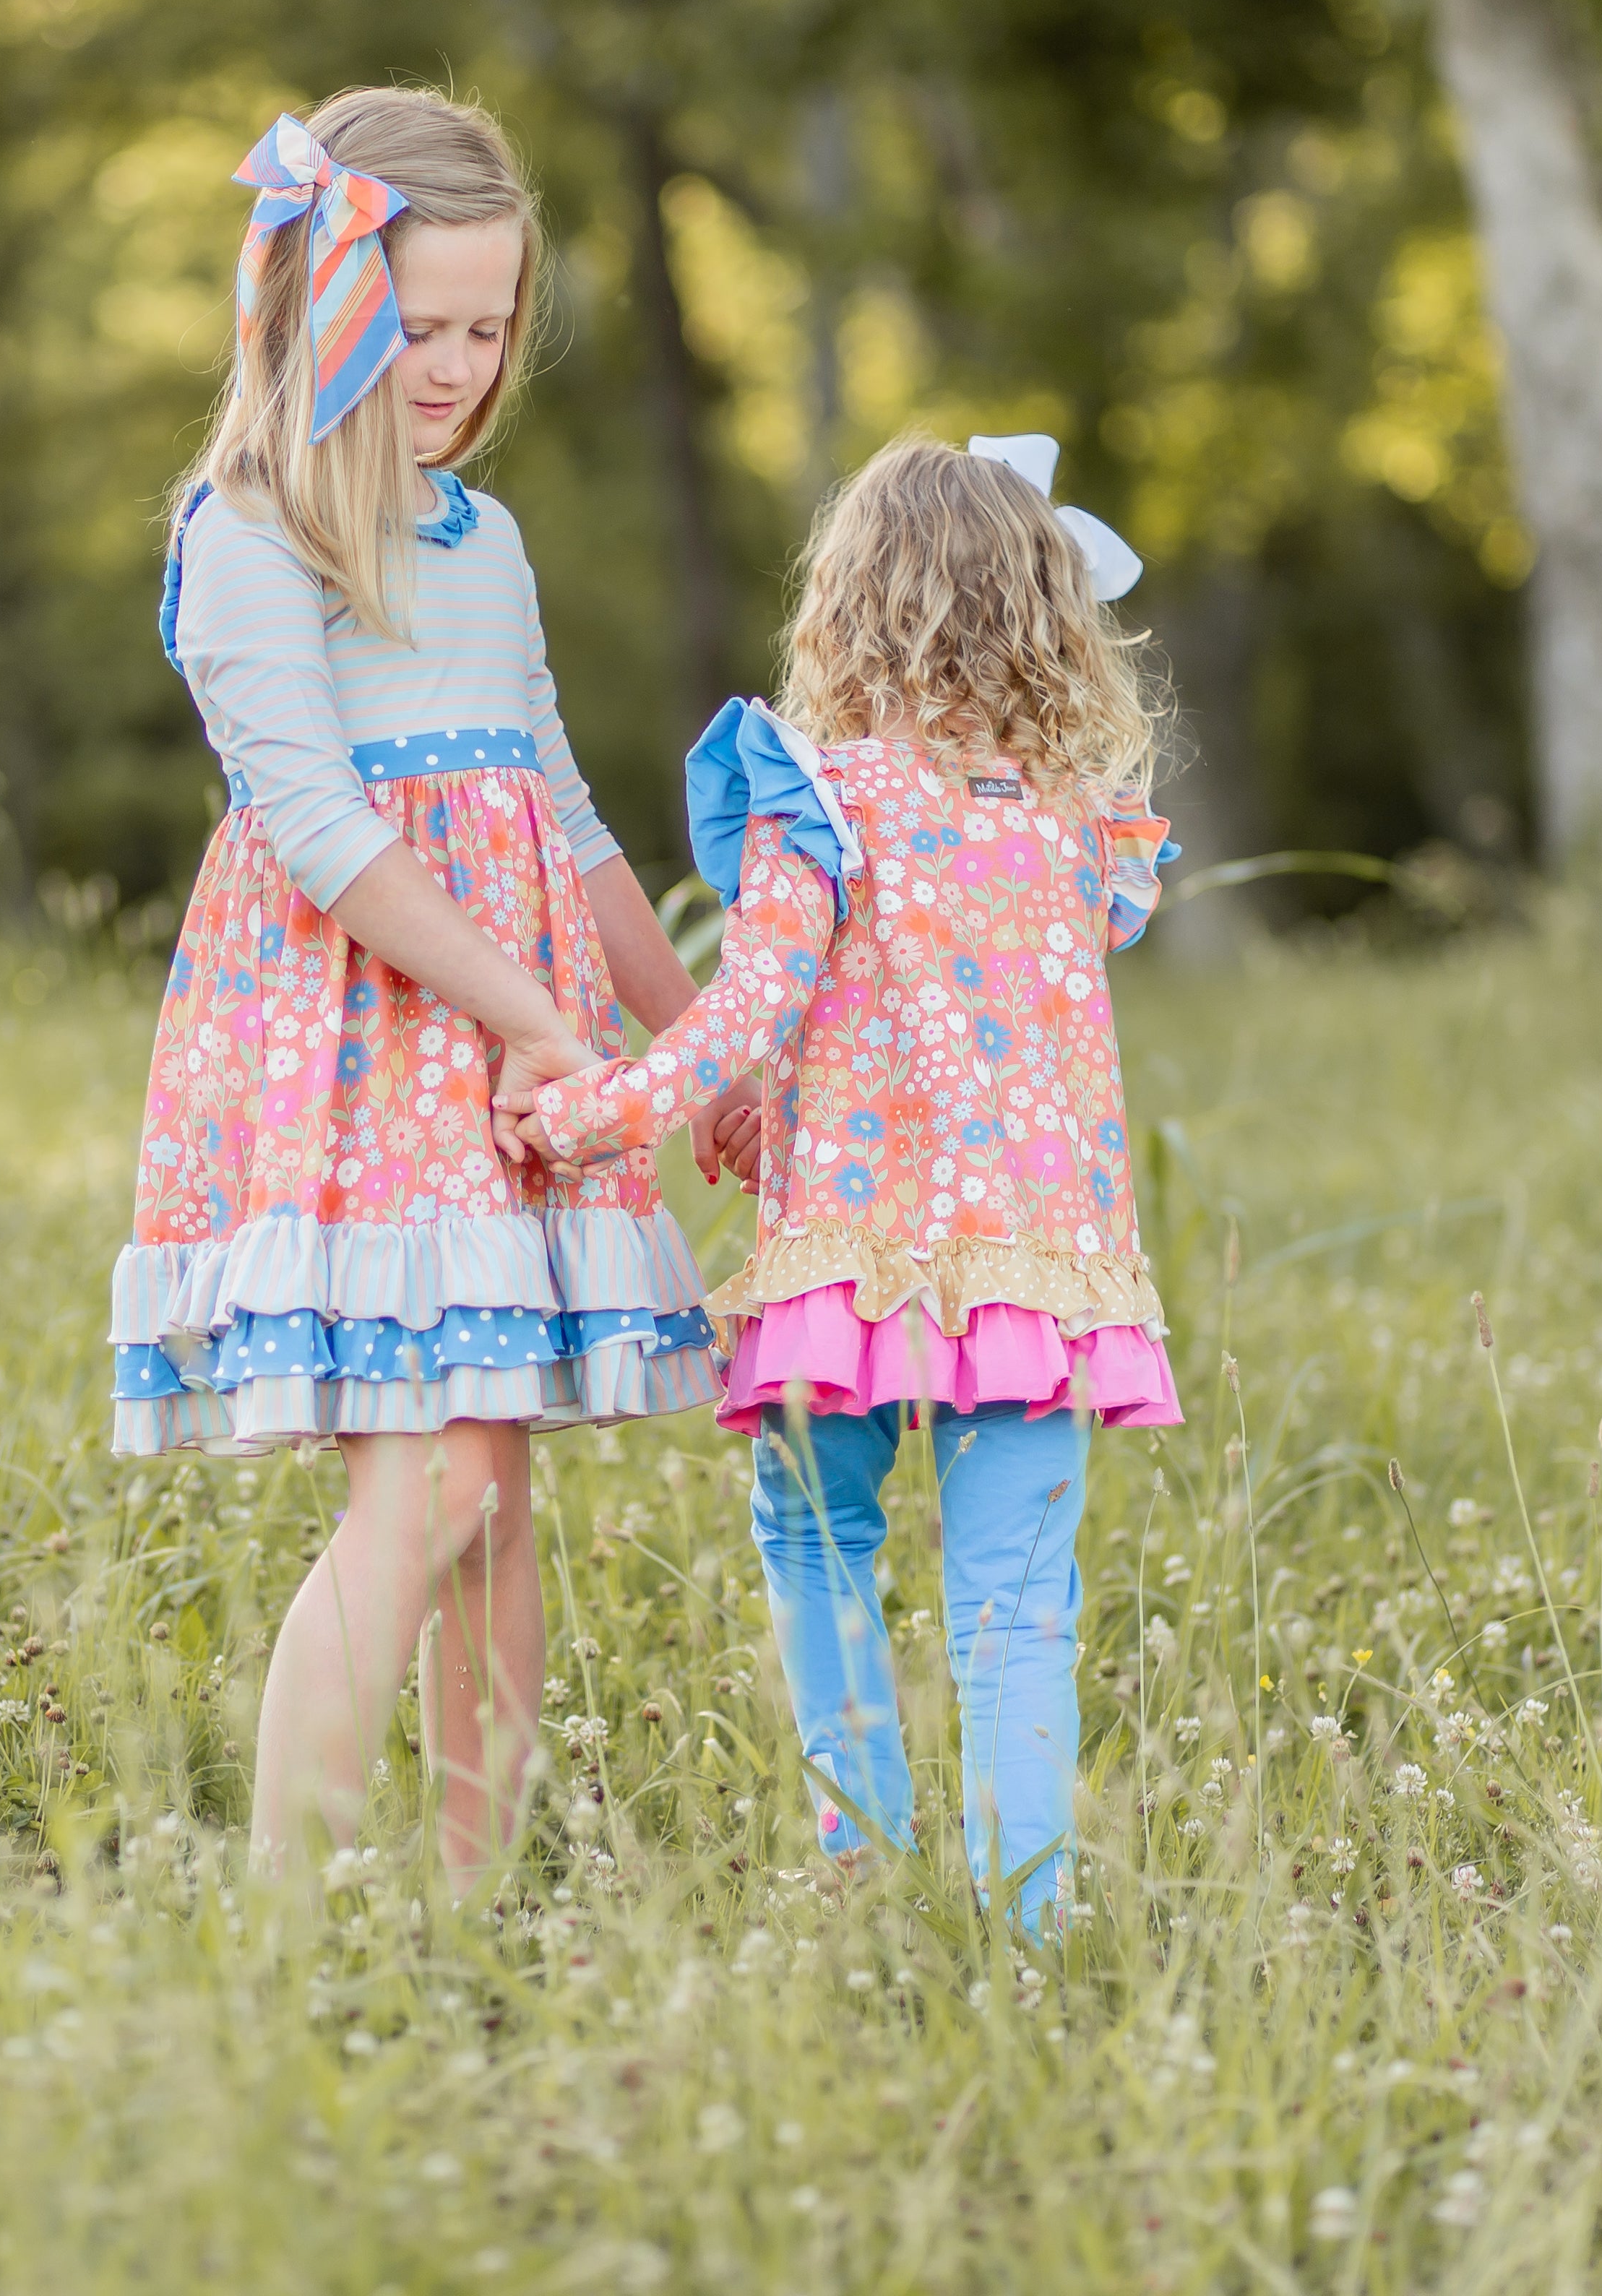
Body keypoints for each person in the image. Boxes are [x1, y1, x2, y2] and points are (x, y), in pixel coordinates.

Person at [111, 90, 721, 1886]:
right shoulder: (250, 533)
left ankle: (474, 1900)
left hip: (509, 1055)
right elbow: (311, 828)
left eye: (486, 328)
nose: (456, 365)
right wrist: (530, 1017)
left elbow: (566, 813)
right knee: (435, 1482)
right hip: (362, 1054)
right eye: (421, 324)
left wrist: (700, 1048)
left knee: (501, 1499)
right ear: (323, 305)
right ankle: (289, 1905)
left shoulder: (488, 539)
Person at [504, 432, 1181, 1930]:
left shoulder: (829, 801)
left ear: (849, 606)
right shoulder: (1080, 828)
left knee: (817, 1540)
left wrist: (590, 1113)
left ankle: (862, 1868)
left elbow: (750, 1014)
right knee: (1020, 1610)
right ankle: (1030, 1926)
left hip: (853, 1277)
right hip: (1042, 1282)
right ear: (1049, 617)